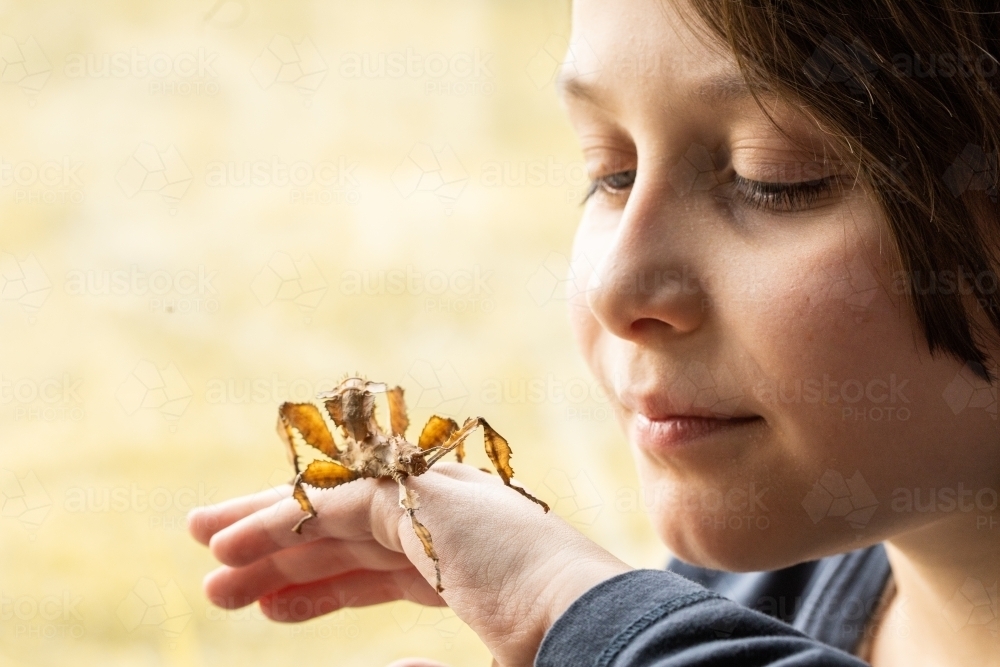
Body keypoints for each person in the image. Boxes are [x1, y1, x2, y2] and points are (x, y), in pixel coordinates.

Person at [187, 0, 1000, 665]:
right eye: (609, 170)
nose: (615, 288)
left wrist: (580, 606)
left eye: (773, 177)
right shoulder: (752, 598)